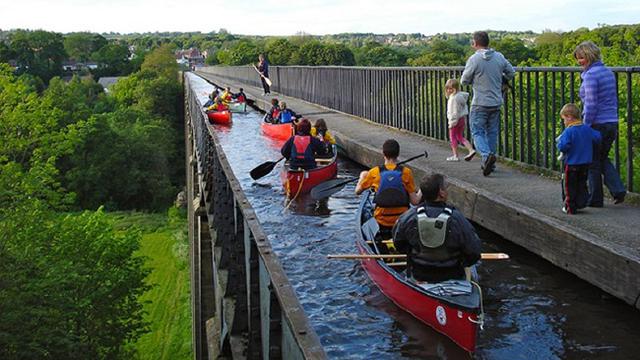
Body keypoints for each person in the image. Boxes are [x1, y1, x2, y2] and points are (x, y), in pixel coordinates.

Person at [392, 174, 481, 283]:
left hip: (419, 274)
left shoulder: (408, 217)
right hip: (451, 275)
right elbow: (474, 252)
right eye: (446, 187)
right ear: (441, 193)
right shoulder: (458, 219)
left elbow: (398, 244)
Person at [574, 41, 627, 206]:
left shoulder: (590, 76)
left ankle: (595, 199)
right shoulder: (607, 72)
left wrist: (585, 125)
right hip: (612, 122)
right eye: (578, 59)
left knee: (592, 162)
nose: (579, 62)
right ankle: (618, 190)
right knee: (601, 157)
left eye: (581, 58)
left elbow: (591, 104)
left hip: (597, 123)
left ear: (589, 56)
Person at [461, 31, 515, 176]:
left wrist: (476, 80)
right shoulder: (499, 57)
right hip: (496, 101)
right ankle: (490, 162)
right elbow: (511, 72)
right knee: (492, 132)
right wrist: (500, 79)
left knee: (477, 131)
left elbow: (464, 80)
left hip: (479, 102)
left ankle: (486, 156)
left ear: (475, 43)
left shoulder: (474, 59)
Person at [355, 139, 421, 235]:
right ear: (398, 154)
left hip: (381, 221)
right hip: (401, 221)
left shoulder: (374, 172)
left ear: (383, 153)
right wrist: (422, 189)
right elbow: (415, 202)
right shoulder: (406, 172)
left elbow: (357, 192)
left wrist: (362, 177)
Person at [556, 103, 602, 214]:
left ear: (569, 117)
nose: (564, 122)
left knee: (570, 186)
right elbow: (598, 137)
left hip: (572, 163)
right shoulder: (586, 129)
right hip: (585, 164)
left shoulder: (569, 131)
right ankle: (580, 203)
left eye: (564, 119)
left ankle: (570, 207)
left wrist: (559, 143)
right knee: (581, 184)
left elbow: (563, 146)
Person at [445, 79, 476, 162]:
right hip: (462, 119)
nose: (449, 90)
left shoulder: (453, 99)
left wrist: (451, 122)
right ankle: (471, 150)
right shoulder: (460, 96)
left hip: (455, 120)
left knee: (452, 137)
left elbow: (453, 112)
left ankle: (455, 155)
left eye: (450, 88)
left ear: (455, 89)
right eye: (447, 88)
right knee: (460, 136)